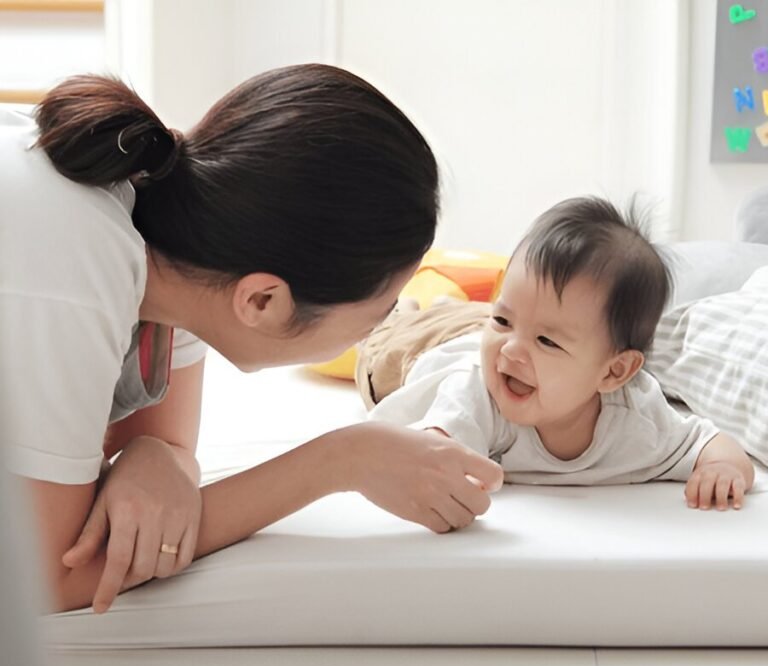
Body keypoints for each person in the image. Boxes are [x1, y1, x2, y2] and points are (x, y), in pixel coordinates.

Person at [0, 64, 503, 615]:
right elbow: (45, 577)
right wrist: (342, 460)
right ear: (263, 301)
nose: (384, 325)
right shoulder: (74, 270)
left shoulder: (178, 247)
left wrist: (152, 455)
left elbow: (168, 444)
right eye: (379, 312)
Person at [361, 197, 755, 511]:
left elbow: (711, 442)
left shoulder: (637, 420)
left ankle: (462, 310)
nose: (512, 348)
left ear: (615, 372)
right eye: (503, 319)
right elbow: (434, 451)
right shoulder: (474, 394)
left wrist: (721, 468)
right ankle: (412, 312)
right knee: (380, 345)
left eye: (548, 342)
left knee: (482, 319)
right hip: (428, 350)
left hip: (472, 326)